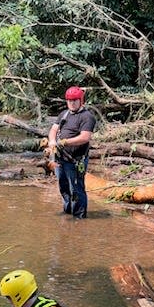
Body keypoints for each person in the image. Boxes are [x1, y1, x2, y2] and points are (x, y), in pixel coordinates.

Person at [48, 86, 96, 219]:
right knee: (63, 187)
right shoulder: (64, 114)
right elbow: (53, 130)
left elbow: (85, 137)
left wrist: (65, 142)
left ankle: (79, 217)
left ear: (81, 101)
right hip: (60, 159)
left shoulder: (87, 117)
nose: (71, 103)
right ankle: (67, 212)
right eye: (69, 100)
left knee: (76, 189)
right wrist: (52, 141)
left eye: (74, 100)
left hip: (75, 161)